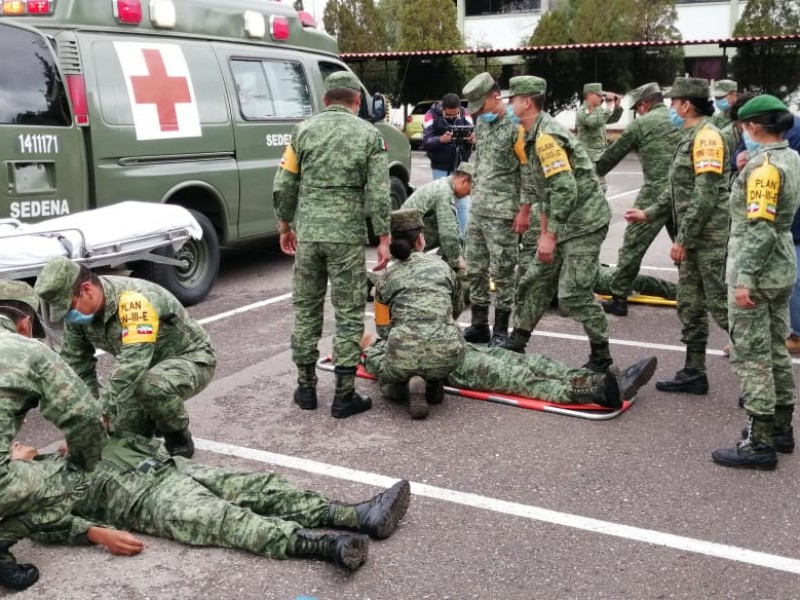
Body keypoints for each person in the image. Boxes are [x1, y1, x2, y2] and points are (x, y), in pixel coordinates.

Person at [14, 435, 411, 572]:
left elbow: (132, 436)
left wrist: (96, 435)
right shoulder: (31, 486)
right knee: (226, 521)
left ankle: (357, 515)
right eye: (10, 449)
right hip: (146, 499)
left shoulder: (64, 450)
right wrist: (97, 534)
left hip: (169, 467)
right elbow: (47, 525)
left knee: (262, 487)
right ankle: (327, 546)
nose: (15, 445)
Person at [273, 71, 391, 419]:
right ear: (357, 101)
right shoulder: (369, 134)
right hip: (346, 237)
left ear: (325, 100)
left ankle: (306, 389)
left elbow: (283, 184)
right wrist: (383, 237)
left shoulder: (303, 131)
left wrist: (284, 225)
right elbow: (380, 192)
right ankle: (343, 395)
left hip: (308, 235)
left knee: (307, 310)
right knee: (349, 313)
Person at [34, 257, 216, 458]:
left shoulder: (134, 301)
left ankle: (178, 438)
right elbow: (77, 365)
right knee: (123, 444)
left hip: (191, 360)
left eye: (68, 308)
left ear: (86, 290)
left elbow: (132, 364)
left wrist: (101, 413)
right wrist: (86, 420)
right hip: (142, 373)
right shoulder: (77, 312)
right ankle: (153, 415)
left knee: (152, 387)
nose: (67, 316)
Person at [500, 76, 614, 373]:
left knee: (573, 295)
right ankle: (518, 340)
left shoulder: (546, 137)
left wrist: (550, 235)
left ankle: (602, 356)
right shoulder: (530, 134)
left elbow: (565, 189)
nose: (510, 104)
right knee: (537, 280)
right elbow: (546, 189)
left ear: (526, 102)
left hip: (585, 222)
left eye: (513, 99)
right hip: (564, 220)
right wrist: (545, 230)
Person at [711, 95, 800, 471]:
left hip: (757, 271)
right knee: (778, 349)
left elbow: (760, 227)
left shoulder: (763, 168)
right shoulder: (788, 157)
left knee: (752, 357)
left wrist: (744, 278)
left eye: (741, 127)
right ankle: (782, 429)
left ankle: (759, 442)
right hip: (781, 268)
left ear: (752, 127)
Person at [625, 77, 730, 395]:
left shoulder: (708, 138)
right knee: (690, 304)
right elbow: (676, 191)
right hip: (694, 236)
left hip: (707, 238)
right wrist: (648, 214)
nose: (670, 108)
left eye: (674, 102)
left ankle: (764, 374)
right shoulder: (690, 135)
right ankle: (694, 372)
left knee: (722, 306)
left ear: (687, 105)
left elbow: (705, 196)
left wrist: (682, 239)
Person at [0, 280, 105, 591]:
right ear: (25, 323)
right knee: (79, 478)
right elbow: (84, 417)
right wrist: (83, 461)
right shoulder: (27, 350)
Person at [364, 209, 467, 419]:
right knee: (440, 353)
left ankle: (403, 389)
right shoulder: (444, 268)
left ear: (392, 241)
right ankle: (434, 382)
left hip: (403, 355)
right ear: (421, 239)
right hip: (448, 353)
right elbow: (457, 309)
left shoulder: (385, 279)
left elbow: (383, 331)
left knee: (375, 358)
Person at [459, 72, 535, 347]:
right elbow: (479, 163)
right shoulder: (481, 124)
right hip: (479, 210)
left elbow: (528, 171)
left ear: (496, 97)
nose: (478, 111)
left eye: (482, 105)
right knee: (476, 269)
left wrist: (524, 210)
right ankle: (479, 324)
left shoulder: (517, 128)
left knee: (502, 272)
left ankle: (501, 329)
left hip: (504, 213)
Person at [595, 82, 681, 316]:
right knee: (685, 246)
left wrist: (587, 174)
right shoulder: (679, 120)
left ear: (644, 104)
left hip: (654, 192)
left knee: (632, 246)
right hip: (682, 191)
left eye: (638, 108)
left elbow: (610, 157)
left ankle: (619, 298)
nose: (638, 112)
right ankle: (696, 297)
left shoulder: (641, 124)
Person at [401, 162, 474, 273]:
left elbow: (454, 227)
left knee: (456, 238)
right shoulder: (444, 192)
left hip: (407, 236)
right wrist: (457, 261)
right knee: (450, 239)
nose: (468, 194)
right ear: (464, 181)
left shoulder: (444, 186)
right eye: (470, 190)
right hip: (407, 242)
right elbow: (447, 232)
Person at [421, 92, 474, 238]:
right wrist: (440, 139)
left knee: (463, 204)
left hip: (461, 165)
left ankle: (463, 239)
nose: (451, 117)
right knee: (443, 203)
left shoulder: (465, 114)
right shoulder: (431, 115)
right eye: (448, 115)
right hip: (440, 166)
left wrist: (471, 139)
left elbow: (473, 133)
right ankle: (445, 239)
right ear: (442, 108)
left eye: (454, 114)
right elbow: (426, 140)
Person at [576, 82, 623, 192]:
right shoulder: (583, 111)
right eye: (599, 95)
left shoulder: (598, 110)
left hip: (599, 156)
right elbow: (594, 122)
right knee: (595, 189)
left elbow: (612, 119)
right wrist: (609, 105)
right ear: (589, 95)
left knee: (600, 188)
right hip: (588, 157)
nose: (601, 98)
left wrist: (616, 106)